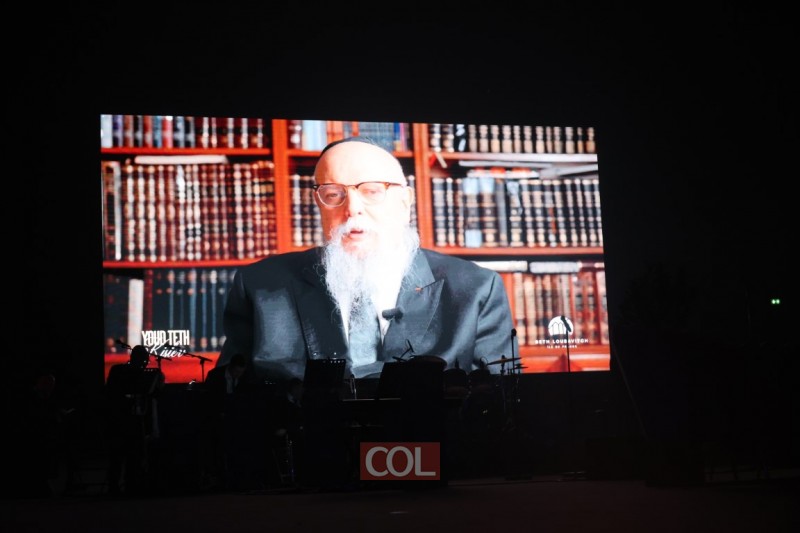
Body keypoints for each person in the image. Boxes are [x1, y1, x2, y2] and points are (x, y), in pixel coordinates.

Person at [217, 135, 514, 384]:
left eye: (372, 191)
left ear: (405, 202)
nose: (352, 209)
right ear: (319, 205)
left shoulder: (476, 289)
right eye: (333, 194)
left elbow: (499, 403)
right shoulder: (260, 286)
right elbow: (229, 397)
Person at [104, 344, 165, 496]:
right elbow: (112, 393)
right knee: (122, 455)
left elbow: (154, 395)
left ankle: (126, 486)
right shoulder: (122, 371)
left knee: (132, 454)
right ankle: (120, 487)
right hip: (121, 418)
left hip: (132, 418)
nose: (145, 363)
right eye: (144, 360)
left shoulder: (120, 370)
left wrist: (157, 384)